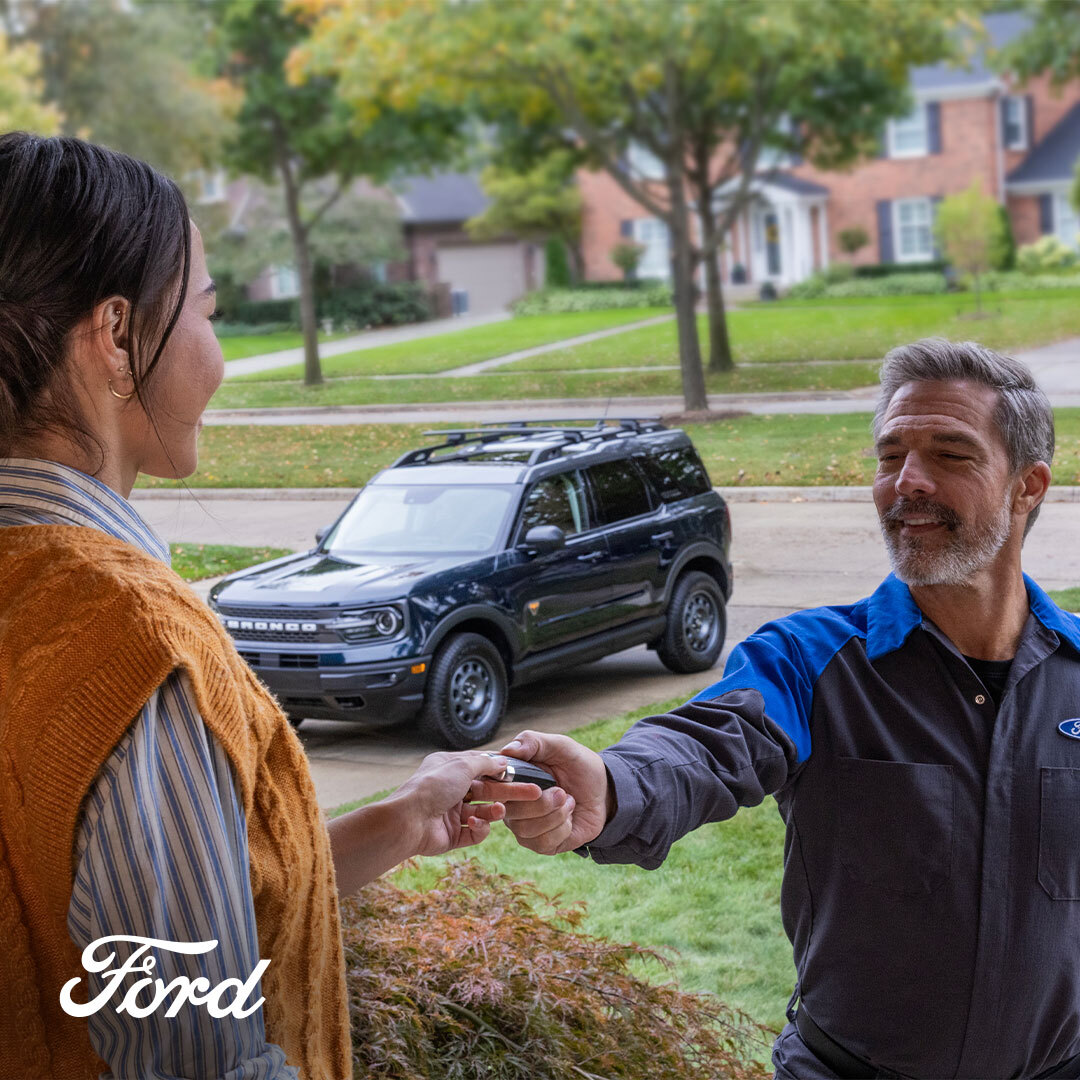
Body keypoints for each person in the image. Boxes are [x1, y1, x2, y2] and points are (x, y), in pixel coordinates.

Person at [0, 132, 534, 1080]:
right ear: (116, 337)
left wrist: (401, 820)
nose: (221, 356)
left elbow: (125, 922)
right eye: (207, 310)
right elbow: (196, 1057)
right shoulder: (127, 642)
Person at [492, 338, 1080, 1079]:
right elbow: (709, 743)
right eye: (890, 455)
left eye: (950, 455)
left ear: (1028, 487)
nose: (907, 482)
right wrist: (613, 787)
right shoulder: (808, 658)